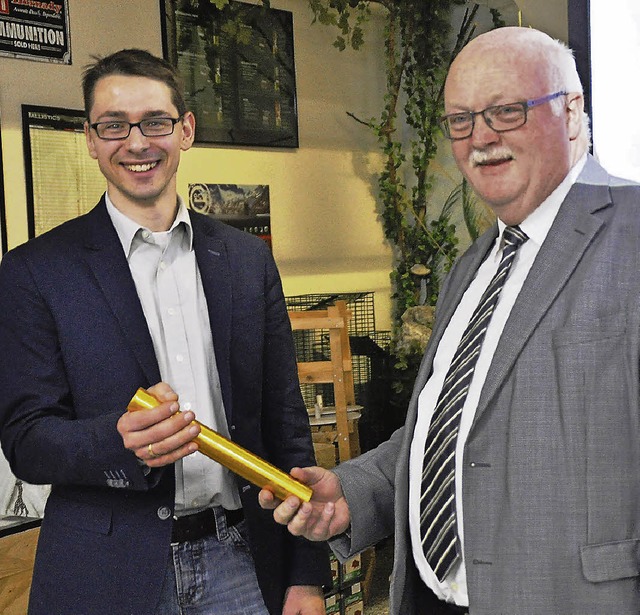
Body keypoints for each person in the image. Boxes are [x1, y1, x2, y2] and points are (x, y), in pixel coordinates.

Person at [260, 26, 640, 615]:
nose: (480, 137)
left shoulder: (634, 233)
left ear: (572, 111)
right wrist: (352, 494)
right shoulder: (474, 263)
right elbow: (453, 431)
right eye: (460, 120)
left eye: (506, 111)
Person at [0, 49, 329, 615]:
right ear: (90, 137)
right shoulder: (35, 272)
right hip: (106, 576)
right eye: (113, 125)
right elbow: (27, 443)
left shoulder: (248, 262)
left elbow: (286, 426)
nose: (136, 142)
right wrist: (118, 440)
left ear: (185, 130)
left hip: (241, 563)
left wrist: (306, 575)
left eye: (155, 122)